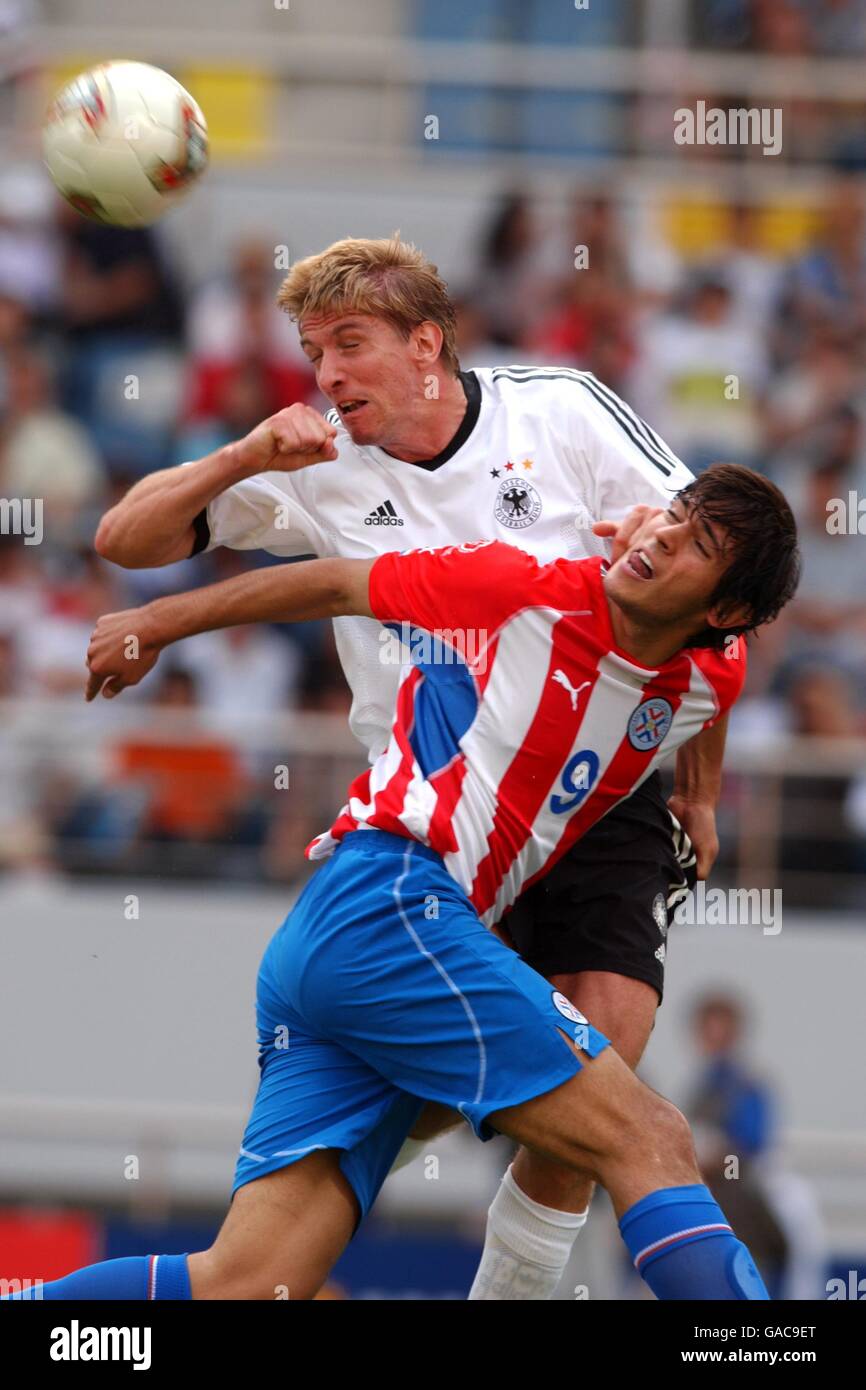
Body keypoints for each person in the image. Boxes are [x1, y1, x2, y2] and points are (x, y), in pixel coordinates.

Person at [92, 234, 732, 1300]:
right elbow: (126, 535)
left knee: (606, 1044)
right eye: (312, 353)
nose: (328, 375)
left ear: (426, 344)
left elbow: (708, 588)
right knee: (611, 1123)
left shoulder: (559, 412)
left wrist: (699, 790)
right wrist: (243, 455)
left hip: (591, 798)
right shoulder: (315, 467)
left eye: (350, 344)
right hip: (431, 826)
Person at [6, 462, 799, 1301]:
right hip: (391, 905)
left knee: (250, 1282)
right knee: (651, 1137)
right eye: (670, 516)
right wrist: (156, 621)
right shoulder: (517, 587)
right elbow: (342, 582)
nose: (663, 536)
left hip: (338, 946)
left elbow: (711, 687)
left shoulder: (714, 669)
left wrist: (699, 797)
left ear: (724, 613)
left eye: (696, 544)